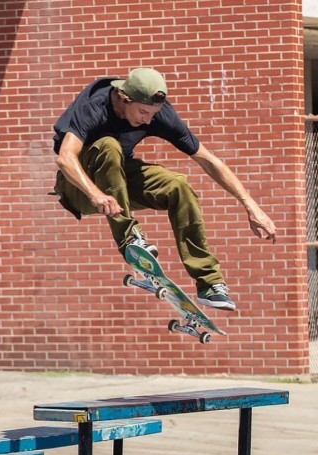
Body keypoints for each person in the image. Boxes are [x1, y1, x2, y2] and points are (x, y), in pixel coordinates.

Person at [52, 67, 277, 311]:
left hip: (119, 178)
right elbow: (65, 158)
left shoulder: (159, 115)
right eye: (143, 112)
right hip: (78, 187)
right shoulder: (95, 105)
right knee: (109, 146)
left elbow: (210, 161)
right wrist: (95, 193)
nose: (148, 120)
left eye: (153, 114)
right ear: (123, 97)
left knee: (178, 186)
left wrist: (251, 206)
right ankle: (130, 240)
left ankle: (209, 283)